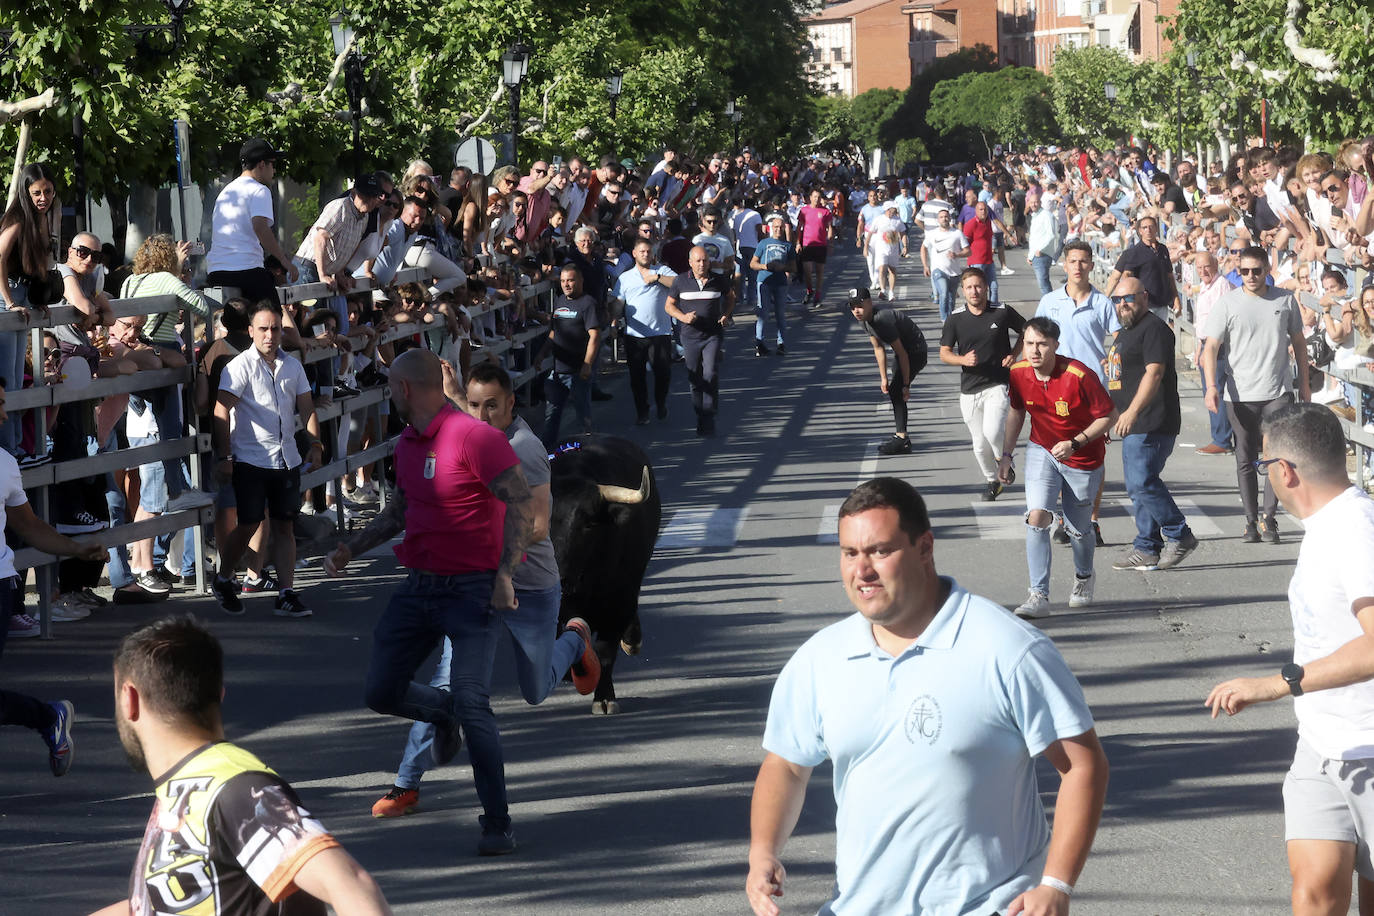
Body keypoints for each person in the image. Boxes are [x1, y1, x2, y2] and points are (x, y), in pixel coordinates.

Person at [746, 477, 1108, 916]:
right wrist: (763, 850)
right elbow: (786, 763)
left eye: (880, 551)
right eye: (849, 553)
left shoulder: (1006, 648)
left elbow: (1083, 764)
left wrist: (1055, 885)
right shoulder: (821, 659)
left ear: (924, 548)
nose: (861, 571)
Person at [324, 349, 534, 856]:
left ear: (403, 390)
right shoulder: (407, 444)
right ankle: (442, 714)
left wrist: (505, 573)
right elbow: (401, 508)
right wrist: (352, 547)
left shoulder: (475, 437)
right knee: (381, 690)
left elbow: (521, 501)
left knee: (475, 703)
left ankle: (497, 822)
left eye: (391, 386)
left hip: (471, 590)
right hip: (419, 587)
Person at [367, 361, 600, 819]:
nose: (481, 414)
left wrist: (491, 560)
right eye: (473, 405)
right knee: (446, 687)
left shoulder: (526, 450)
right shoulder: (466, 436)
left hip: (529, 586)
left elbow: (534, 524)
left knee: (534, 689)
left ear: (511, 404)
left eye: (492, 405)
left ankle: (574, 641)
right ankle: (406, 784)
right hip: (475, 588)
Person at [91, 615, 393, 916]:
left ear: (129, 698)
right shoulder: (191, 788)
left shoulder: (233, 786)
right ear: (219, 694)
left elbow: (350, 885)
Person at [1205, 403, 1374, 916]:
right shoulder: (1326, 527)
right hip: (1321, 746)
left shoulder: (1356, 531)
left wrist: (1278, 684)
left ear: (1284, 470)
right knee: (1313, 895)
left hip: (1369, 747)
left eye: (1263, 466)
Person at [0, 383, 106, 774]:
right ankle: (49, 718)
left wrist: (75, 550)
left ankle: (48, 718)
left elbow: (29, 526)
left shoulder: (5, 465)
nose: (4, 416)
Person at [999, 317, 1118, 619]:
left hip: (1082, 457)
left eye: (1041, 344)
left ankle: (1084, 577)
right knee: (1037, 516)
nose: (1034, 350)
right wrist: (1006, 454)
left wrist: (1076, 443)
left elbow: (1108, 416)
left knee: (1078, 528)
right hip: (1043, 449)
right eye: (1029, 343)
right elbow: (1016, 412)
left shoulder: (1078, 375)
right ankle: (1038, 594)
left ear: (1055, 345)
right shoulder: (1018, 373)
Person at [211, 302, 324, 619]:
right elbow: (221, 411)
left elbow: (307, 408)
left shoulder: (293, 366)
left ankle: (286, 593)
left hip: (286, 458)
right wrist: (224, 456)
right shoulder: (239, 367)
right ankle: (224, 577)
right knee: (248, 524)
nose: (270, 335)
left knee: (285, 526)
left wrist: (315, 442)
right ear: (250, 331)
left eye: (275, 328)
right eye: (263, 329)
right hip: (250, 458)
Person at [1201, 245, 1310, 544]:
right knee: (1245, 457)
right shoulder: (1227, 303)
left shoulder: (1285, 300)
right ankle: (1250, 520)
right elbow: (1210, 348)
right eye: (1244, 271)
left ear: (1267, 271)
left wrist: (1304, 384)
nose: (1250, 276)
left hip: (1278, 390)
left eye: (1256, 271)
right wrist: (1211, 386)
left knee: (1276, 456)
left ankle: (1269, 518)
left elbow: (1299, 342)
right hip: (1239, 393)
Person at [1104, 278, 1198, 572]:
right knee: (1137, 486)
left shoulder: (1154, 329)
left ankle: (1179, 533)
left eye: (1128, 298)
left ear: (1144, 297)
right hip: (1131, 421)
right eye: (1117, 300)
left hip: (1151, 420)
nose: (1122, 305)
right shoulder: (1128, 332)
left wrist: (1131, 411)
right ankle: (1147, 546)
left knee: (1143, 481)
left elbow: (1154, 373)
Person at [1036, 241, 1121, 546]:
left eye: (1083, 261)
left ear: (1091, 266)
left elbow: (1120, 340)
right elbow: (1035, 340)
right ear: (1064, 264)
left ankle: (1093, 522)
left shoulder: (1102, 303)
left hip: (1093, 391)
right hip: (1056, 390)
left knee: (1094, 459)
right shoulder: (1050, 301)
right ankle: (1065, 520)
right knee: (1060, 455)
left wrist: (1112, 362)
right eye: (1073, 261)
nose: (1078, 267)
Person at [939, 267, 1025, 499]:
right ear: (962, 291)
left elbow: (1027, 331)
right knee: (978, 445)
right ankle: (992, 480)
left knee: (992, 429)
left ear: (986, 287)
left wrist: (1014, 354)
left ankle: (1003, 458)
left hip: (998, 382)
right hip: (969, 389)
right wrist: (962, 360)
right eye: (969, 287)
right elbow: (944, 353)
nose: (974, 291)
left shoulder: (1002, 311)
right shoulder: (955, 318)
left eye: (978, 286)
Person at [0, 163, 59, 462]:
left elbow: (36, 265)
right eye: (36, 192)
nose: (42, 197)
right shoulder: (19, 218)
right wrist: (9, 302)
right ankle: (11, 452)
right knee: (8, 382)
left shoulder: (43, 219)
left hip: (23, 296)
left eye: (47, 191)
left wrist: (37, 299)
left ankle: (17, 450)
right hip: (6, 297)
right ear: (25, 192)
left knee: (15, 376)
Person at [206, 137, 299, 303]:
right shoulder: (259, 190)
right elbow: (261, 228)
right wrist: (285, 261)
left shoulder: (226, 192)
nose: (274, 170)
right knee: (273, 320)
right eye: (273, 164)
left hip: (216, 272)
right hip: (245, 270)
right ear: (262, 165)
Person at [666, 245, 734, 437]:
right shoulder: (680, 281)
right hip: (690, 336)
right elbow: (669, 306)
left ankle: (709, 414)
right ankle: (700, 414)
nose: (702, 264)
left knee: (710, 373)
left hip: (712, 335)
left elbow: (731, 297)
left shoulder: (718, 280)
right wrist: (683, 317)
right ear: (690, 262)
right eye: (698, 261)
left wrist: (726, 314)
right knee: (694, 377)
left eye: (705, 260)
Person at [849, 288, 927, 456]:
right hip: (902, 352)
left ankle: (902, 439)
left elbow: (903, 354)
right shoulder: (864, 320)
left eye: (860, 305)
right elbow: (878, 348)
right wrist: (883, 378)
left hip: (915, 351)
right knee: (894, 389)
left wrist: (906, 385)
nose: (856, 310)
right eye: (852, 306)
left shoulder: (881, 319)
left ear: (870, 303)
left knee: (897, 391)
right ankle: (902, 437)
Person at [612, 238, 676, 425]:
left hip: (660, 333)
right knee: (636, 377)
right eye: (642, 251)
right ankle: (642, 411)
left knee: (663, 373)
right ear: (634, 254)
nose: (646, 255)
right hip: (635, 335)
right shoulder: (625, 278)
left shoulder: (661, 271)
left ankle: (661, 402)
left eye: (648, 251)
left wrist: (656, 278)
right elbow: (618, 301)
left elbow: (678, 282)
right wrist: (614, 319)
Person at [541, 264, 602, 448]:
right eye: (563, 281)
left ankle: (587, 450)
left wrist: (587, 364)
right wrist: (541, 354)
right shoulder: (559, 300)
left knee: (583, 415)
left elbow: (595, 336)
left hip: (578, 372)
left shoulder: (588, 303)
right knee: (551, 414)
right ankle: (546, 453)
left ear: (580, 281)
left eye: (570, 280)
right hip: (558, 370)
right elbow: (553, 333)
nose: (566, 284)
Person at [1104, 215, 1181, 321]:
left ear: (1156, 228)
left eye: (1151, 226)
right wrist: (1106, 298)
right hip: (1144, 305)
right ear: (1140, 231)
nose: (1148, 230)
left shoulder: (1163, 249)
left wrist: (1176, 298)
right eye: (1144, 227)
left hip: (1162, 304)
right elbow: (1119, 276)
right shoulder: (1133, 253)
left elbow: (1169, 276)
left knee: (1159, 335)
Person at [749, 213, 794, 357]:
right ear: (770, 228)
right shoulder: (763, 243)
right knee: (763, 313)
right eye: (775, 227)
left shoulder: (788, 246)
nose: (778, 230)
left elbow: (794, 267)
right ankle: (760, 343)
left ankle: (781, 344)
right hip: (764, 281)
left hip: (780, 283)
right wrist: (765, 266)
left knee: (780, 314)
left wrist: (784, 268)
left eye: (781, 227)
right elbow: (752, 263)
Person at [920, 207, 970, 321]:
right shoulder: (932, 234)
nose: (944, 219)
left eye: (946, 217)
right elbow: (923, 248)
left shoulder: (957, 233)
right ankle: (944, 320)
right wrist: (925, 266)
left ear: (950, 218)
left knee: (951, 298)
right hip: (938, 270)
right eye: (941, 217)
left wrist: (957, 255)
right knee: (944, 294)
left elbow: (968, 251)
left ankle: (950, 320)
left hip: (954, 272)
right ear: (938, 220)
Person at [796, 188, 834, 308]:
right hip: (807, 244)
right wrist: (798, 242)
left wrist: (830, 242)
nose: (816, 199)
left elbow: (830, 228)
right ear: (810, 197)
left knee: (819, 272)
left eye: (818, 197)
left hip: (821, 244)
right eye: (814, 196)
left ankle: (817, 296)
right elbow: (799, 227)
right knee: (807, 272)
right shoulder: (804, 210)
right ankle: (809, 291)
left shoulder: (825, 212)